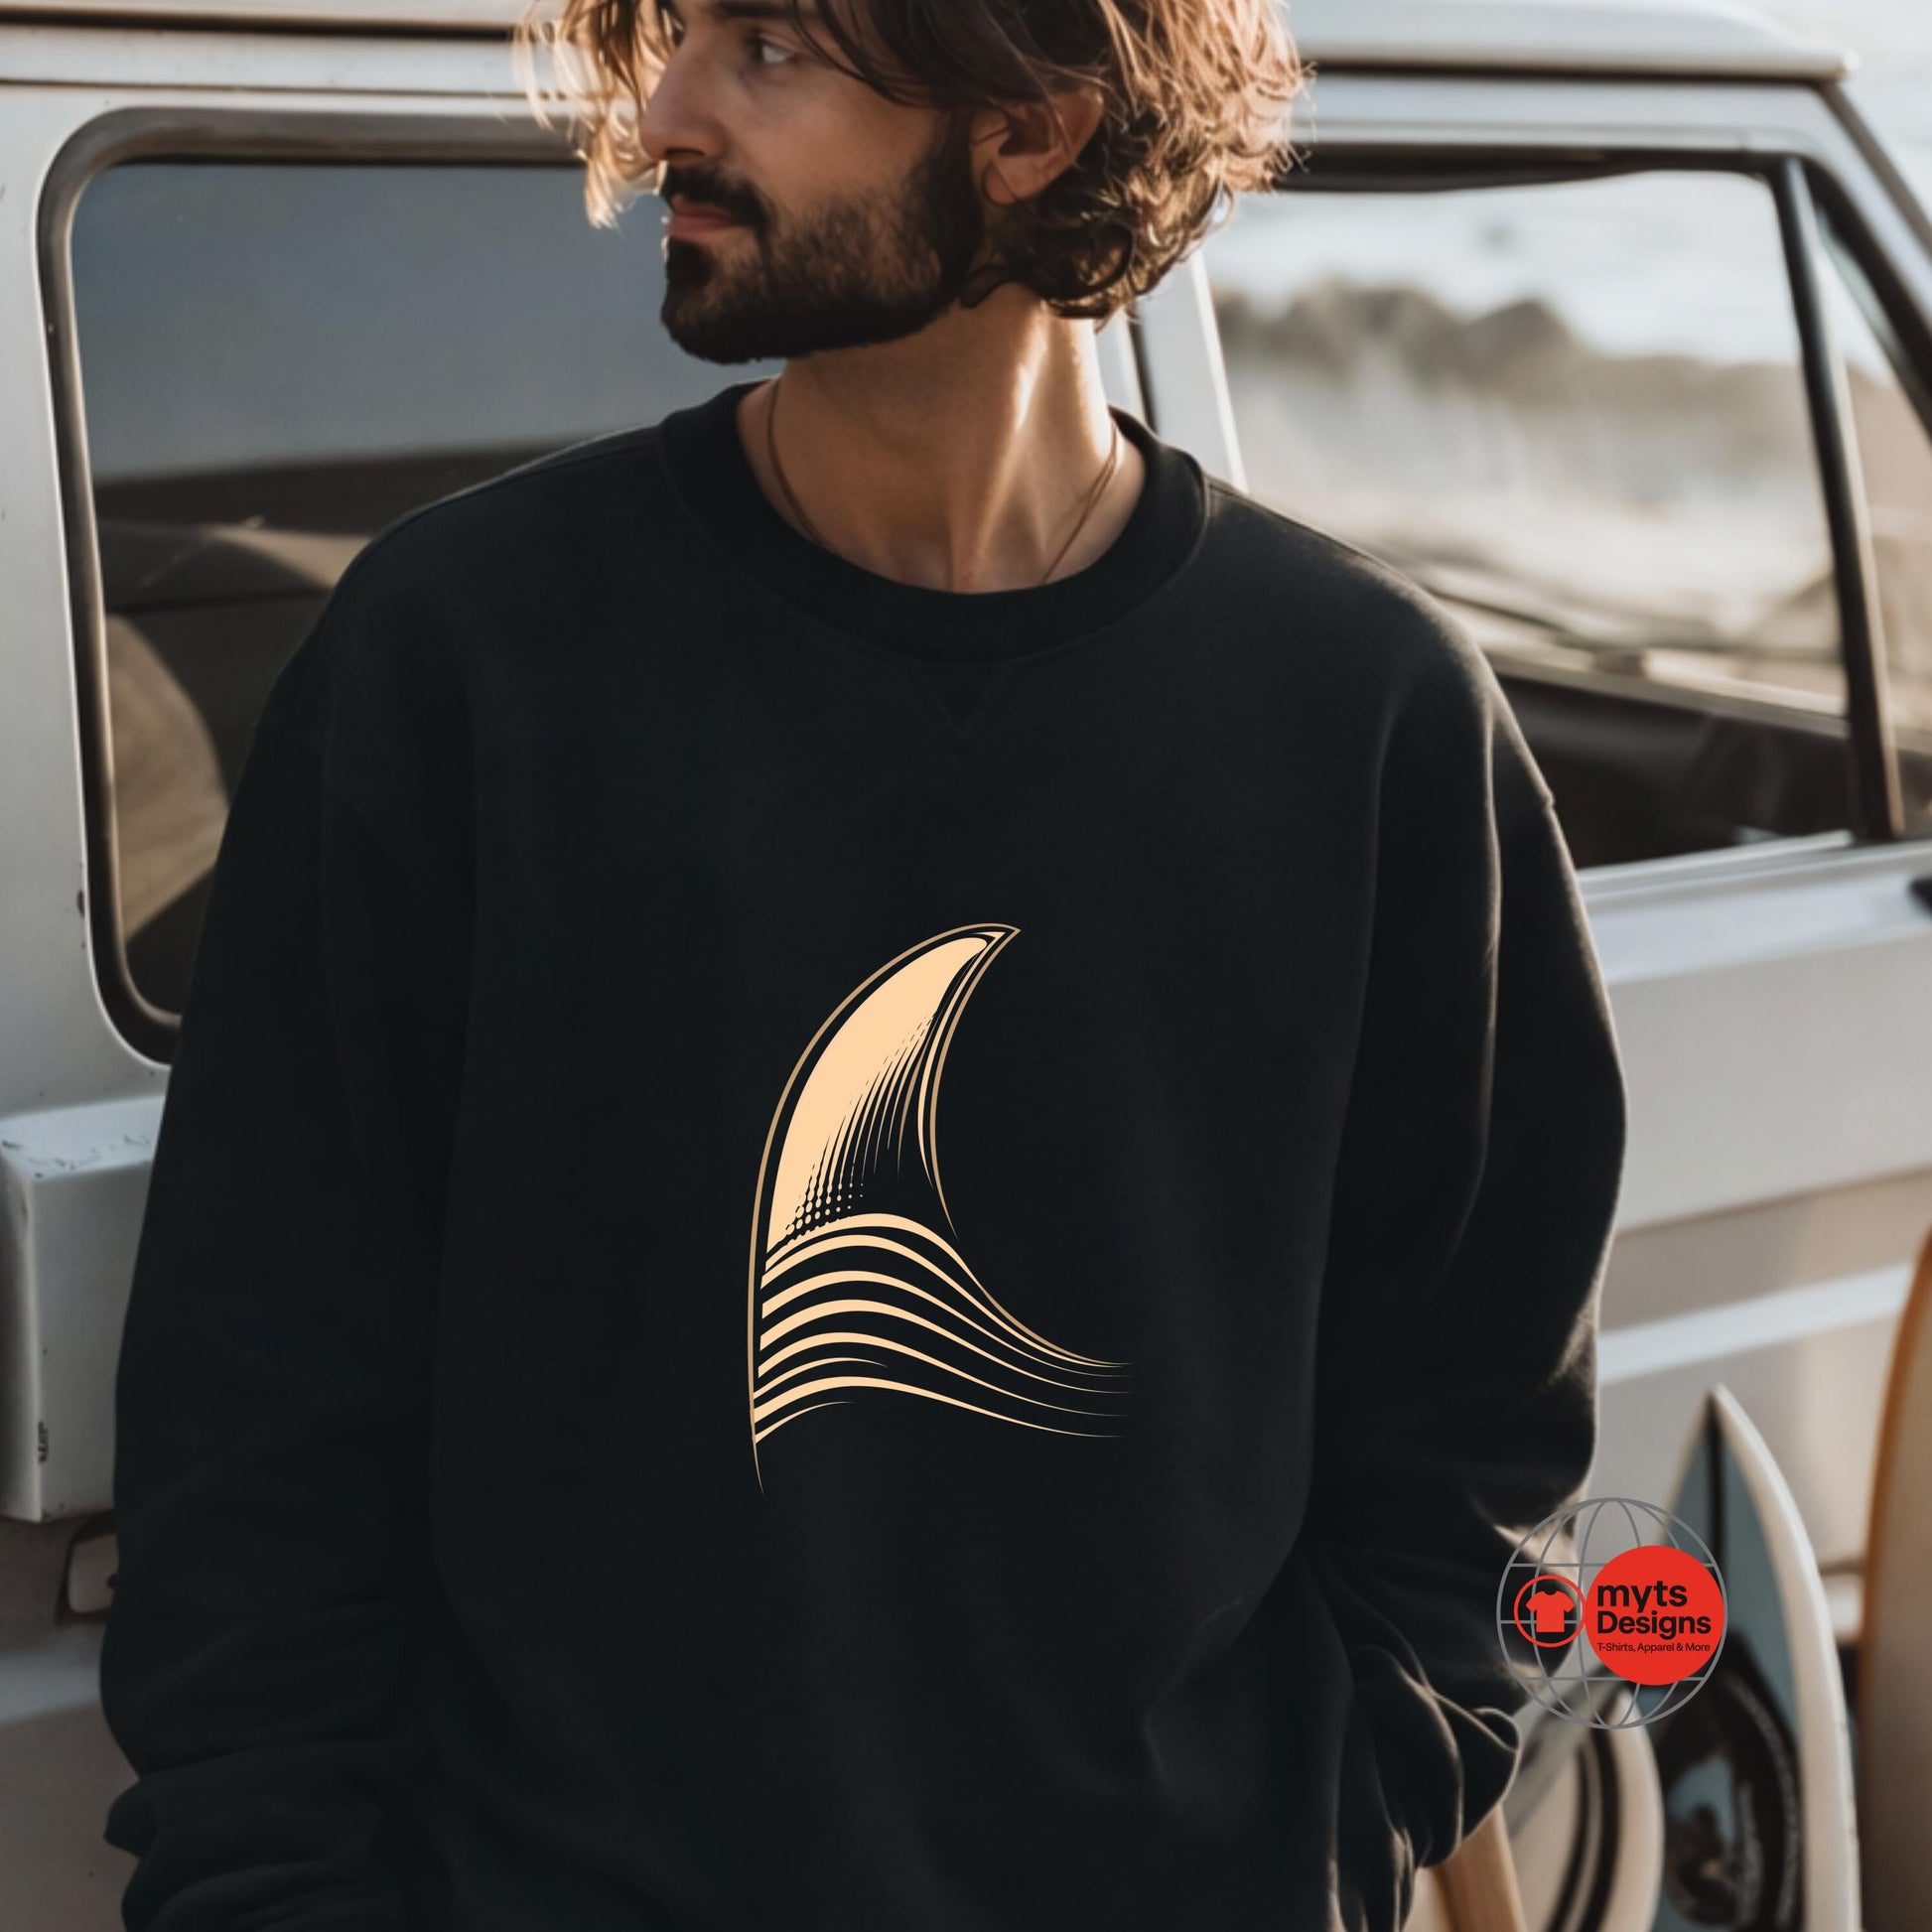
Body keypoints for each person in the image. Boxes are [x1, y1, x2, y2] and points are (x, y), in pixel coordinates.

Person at [97, 0, 1628, 1927]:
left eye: (769, 49)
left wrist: (1319, 1808)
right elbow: (265, 1421)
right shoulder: (465, 667)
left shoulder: (1365, 712)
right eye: (674, 40)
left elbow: (1478, 1432)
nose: (662, 111)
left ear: (1031, 136)